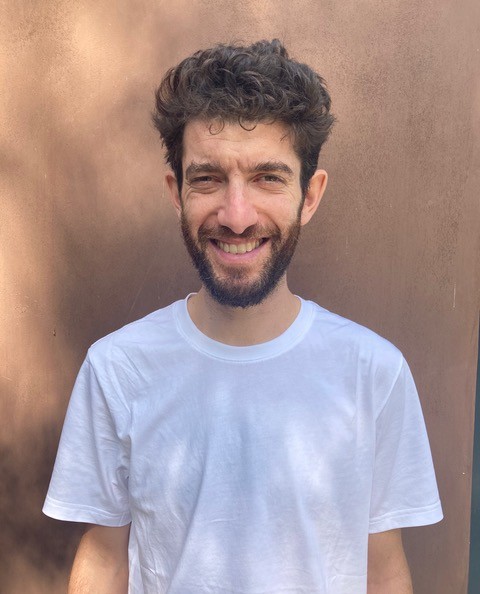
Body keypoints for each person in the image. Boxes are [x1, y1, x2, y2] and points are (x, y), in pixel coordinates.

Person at [43, 39, 443, 594]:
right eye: (207, 178)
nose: (236, 216)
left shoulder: (374, 373)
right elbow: (106, 558)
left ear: (309, 196)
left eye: (267, 178)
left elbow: (382, 568)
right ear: (176, 193)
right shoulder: (116, 368)